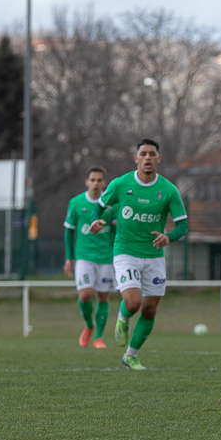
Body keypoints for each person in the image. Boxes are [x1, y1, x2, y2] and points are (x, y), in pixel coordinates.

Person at [88, 139, 188, 370]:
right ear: (136, 158)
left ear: (158, 159)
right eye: (143, 154)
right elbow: (98, 206)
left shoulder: (168, 190)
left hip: (154, 255)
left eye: (152, 154)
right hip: (125, 251)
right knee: (133, 303)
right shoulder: (121, 184)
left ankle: (130, 355)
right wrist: (95, 220)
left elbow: (183, 225)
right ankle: (123, 317)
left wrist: (168, 237)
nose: (147, 158)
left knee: (150, 309)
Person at [63, 166, 115, 349]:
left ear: (104, 183)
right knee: (85, 295)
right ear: (86, 182)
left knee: (103, 296)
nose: (96, 183)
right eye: (92, 180)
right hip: (84, 256)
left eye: (99, 180)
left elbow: (116, 230)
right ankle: (88, 325)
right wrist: (69, 257)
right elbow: (69, 231)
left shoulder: (111, 204)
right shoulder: (76, 203)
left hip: (106, 256)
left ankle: (98, 337)